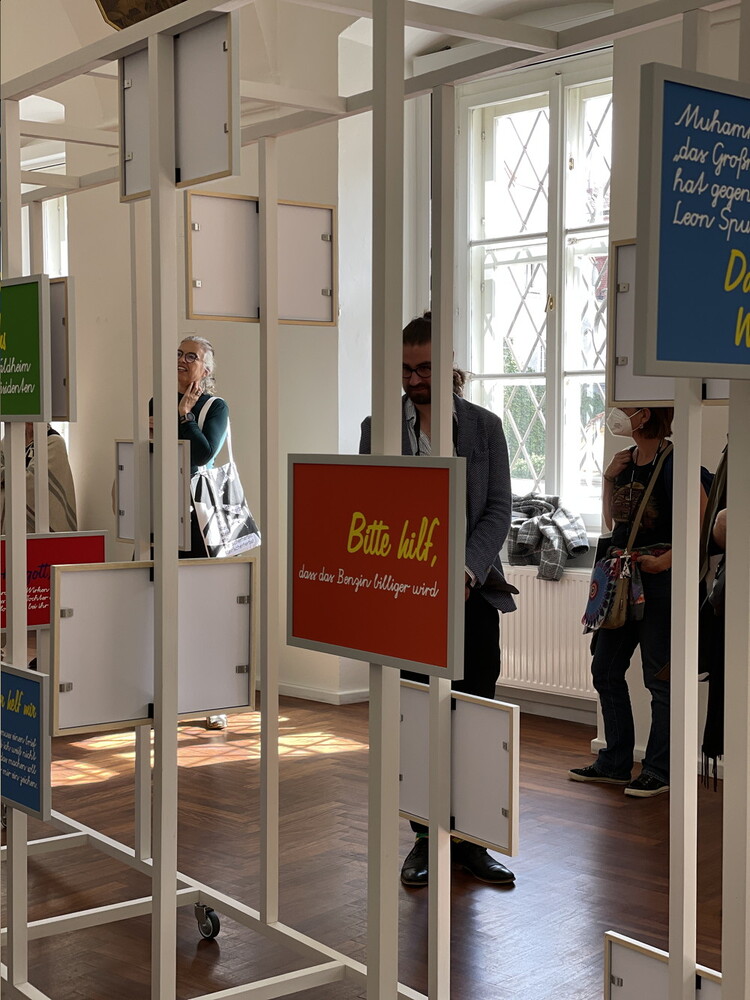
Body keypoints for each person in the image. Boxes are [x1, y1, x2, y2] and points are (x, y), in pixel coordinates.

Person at [359, 311, 518, 887]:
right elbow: (369, 505)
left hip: (472, 599)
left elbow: (498, 509)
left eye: (425, 368)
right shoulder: (377, 427)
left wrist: (465, 573)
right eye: (406, 369)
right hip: (407, 600)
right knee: (419, 722)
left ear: (449, 363)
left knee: (473, 718)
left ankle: (472, 843)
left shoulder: (485, 427)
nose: (414, 379)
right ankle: (425, 839)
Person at [569, 407, 707, 798]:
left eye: (626, 408)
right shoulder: (625, 463)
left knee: (658, 678)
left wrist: (667, 561)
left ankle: (659, 770)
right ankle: (614, 763)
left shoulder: (677, 463)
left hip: (659, 583)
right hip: (623, 580)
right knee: (605, 669)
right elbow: (613, 524)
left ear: (644, 415)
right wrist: (607, 479)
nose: (616, 414)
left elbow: (703, 520)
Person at [161, 335, 229, 729]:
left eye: (192, 356)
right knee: (164, 607)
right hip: (163, 515)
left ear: (207, 368)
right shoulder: (157, 402)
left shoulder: (214, 407)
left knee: (203, 609)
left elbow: (204, 454)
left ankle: (213, 700)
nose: (182, 360)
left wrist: (185, 416)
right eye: (179, 354)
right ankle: (170, 695)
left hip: (200, 523)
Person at [0, 423, 77, 533]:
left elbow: (31, 481)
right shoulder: (8, 442)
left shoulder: (54, 442)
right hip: (10, 528)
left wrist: (4, 477)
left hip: (40, 527)